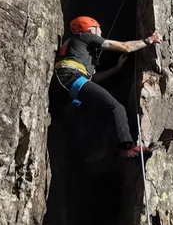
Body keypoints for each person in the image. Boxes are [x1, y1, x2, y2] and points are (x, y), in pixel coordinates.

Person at [51, 16, 163, 158]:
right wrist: (150, 39)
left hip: (65, 86)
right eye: (99, 30)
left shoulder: (75, 46)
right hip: (71, 80)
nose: (101, 33)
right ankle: (129, 147)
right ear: (91, 29)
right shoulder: (86, 36)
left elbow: (92, 79)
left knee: (88, 116)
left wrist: (117, 68)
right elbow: (126, 47)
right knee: (117, 107)